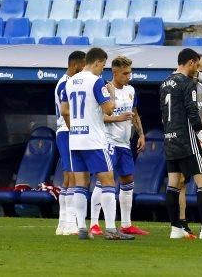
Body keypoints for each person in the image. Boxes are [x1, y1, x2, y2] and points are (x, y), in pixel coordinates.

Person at [63, 48, 133, 240]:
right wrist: (111, 94)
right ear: (97, 62)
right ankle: (111, 229)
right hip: (94, 140)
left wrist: (74, 128)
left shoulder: (70, 83)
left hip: (76, 139)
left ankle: (82, 229)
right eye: (103, 65)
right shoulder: (96, 81)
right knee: (108, 181)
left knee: (81, 184)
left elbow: (65, 110)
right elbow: (109, 110)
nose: (103, 69)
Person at [160, 48, 202, 240]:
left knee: (174, 183)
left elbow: (164, 113)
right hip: (188, 140)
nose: (197, 70)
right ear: (190, 63)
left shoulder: (164, 83)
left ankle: (176, 229)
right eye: (196, 65)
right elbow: (193, 112)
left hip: (170, 138)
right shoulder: (188, 83)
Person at [89, 56, 149, 237]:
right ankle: (93, 224)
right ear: (114, 72)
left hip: (124, 143)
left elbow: (135, 114)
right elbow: (99, 117)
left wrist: (141, 135)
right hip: (108, 142)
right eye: (125, 73)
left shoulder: (131, 90)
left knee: (128, 179)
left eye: (130, 72)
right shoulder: (106, 89)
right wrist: (118, 118)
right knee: (104, 181)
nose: (128, 76)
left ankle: (126, 224)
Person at [177, 54, 202, 235]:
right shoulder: (180, 85)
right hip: (183, 140)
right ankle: (181, 222)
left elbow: (201, 112)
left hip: (200, 140)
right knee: (180, 181)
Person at [54, 50, 86, 236]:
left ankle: (63, 223)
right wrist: (75, 131)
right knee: (73, 176)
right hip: (67, 131)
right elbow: (67, 112)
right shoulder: (66, 84)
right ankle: (70, 222)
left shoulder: (66, 82)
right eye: (82, 68)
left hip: (67, 131)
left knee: (68, 177)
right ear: (74, 65)